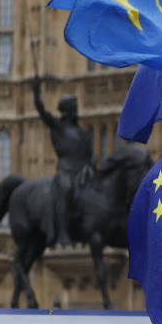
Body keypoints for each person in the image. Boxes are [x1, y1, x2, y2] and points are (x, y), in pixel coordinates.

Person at [32, 77, 95, 246]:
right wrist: (36, 92)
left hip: (82, 172)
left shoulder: (83, 133)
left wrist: (91, 166)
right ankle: (61, 232)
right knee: (66, 190)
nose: (77, 111)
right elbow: (42, 112)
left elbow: (91, 156)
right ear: (67, 111)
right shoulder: (59, 127)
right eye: (74, 108)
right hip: (66, 171)